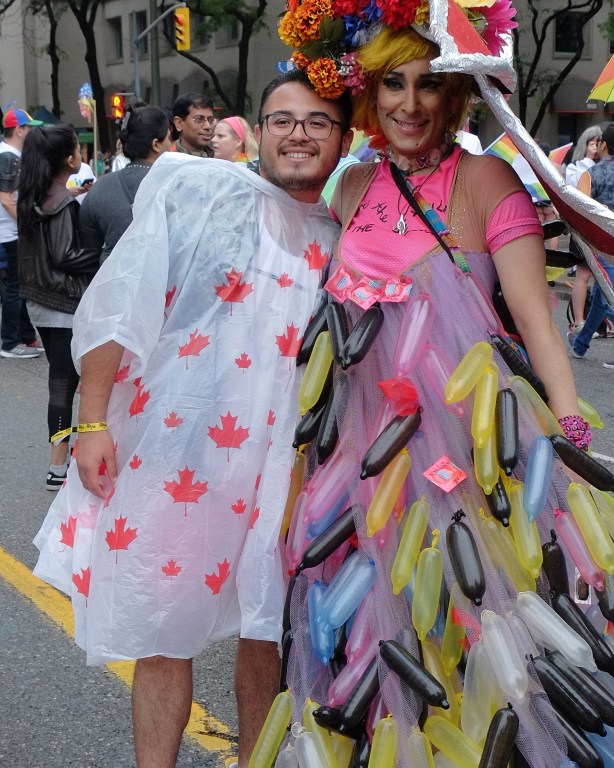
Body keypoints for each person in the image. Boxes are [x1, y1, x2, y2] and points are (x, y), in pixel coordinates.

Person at [271, 5, 594, 765]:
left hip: (465, 451)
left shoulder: (486, 180)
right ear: (368, 93)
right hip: (360, 458)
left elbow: (537, 325)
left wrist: (570, 442)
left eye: (428, 85)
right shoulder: (352, 185)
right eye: (393, 84)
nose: (410, 104)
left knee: (483, 629)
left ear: (457, 96)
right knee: (370, 633)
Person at [32, 70, 353, 767]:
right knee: (162, 627)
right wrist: (91, 422)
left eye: (318, 121)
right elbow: (123, 305)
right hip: (181, 453)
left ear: (344, 138)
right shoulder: (205, 193)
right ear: (258, 131)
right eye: (283, 119)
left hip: (287, 466)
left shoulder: (346, 235)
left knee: (267, 630)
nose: (299, 133)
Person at [17, 124, 100, 489]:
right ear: (69, 159)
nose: (81, 154)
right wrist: (103, 252)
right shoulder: (62, 203)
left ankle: (59, 461)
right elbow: (66, 255)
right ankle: (58, 466)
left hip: (39, 299)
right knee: (65, 383)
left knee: (60, 380)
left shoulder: (34, 193)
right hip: (63, 303)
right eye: (78, 149)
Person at [79, 103, 171, 263]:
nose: (171, 145)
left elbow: (88, 251)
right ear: (156, 144)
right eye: (168, 138)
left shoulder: (99, 188)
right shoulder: (173, 184)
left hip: (111, 275)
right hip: (166, 275)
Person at [568, 122, 614, 363]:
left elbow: (580, 209)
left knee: (606, 294)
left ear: (604, 145)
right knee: (601, 296)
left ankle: (580, 343)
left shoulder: (591, 174)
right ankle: (581, 344)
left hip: (601, 246)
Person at [0, 108, 42, 359]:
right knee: (15, 288)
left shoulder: (8, 155)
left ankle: (25, 337)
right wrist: (28, 224)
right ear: (18, 130)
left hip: (9, 233)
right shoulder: (9, 157)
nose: (32, 132)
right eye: (29, 128)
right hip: (9, 234)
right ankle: (10, 342)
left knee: (18, 287)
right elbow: (7, 199)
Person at [565, 126, 602, 331]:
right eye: (592, 143)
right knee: (583, 274)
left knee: (604, 277)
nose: (596, 147)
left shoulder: (606, 166)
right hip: (582, 228)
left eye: (599, 143)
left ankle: (601, 321)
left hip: (602, 227)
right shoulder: (575, 168)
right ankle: (579, 320)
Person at [170, 93, 216, 157]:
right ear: (179, 123)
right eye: (199, 119)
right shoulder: (169, 158)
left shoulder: (222, 155)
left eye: (211, 120)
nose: (208, 126)